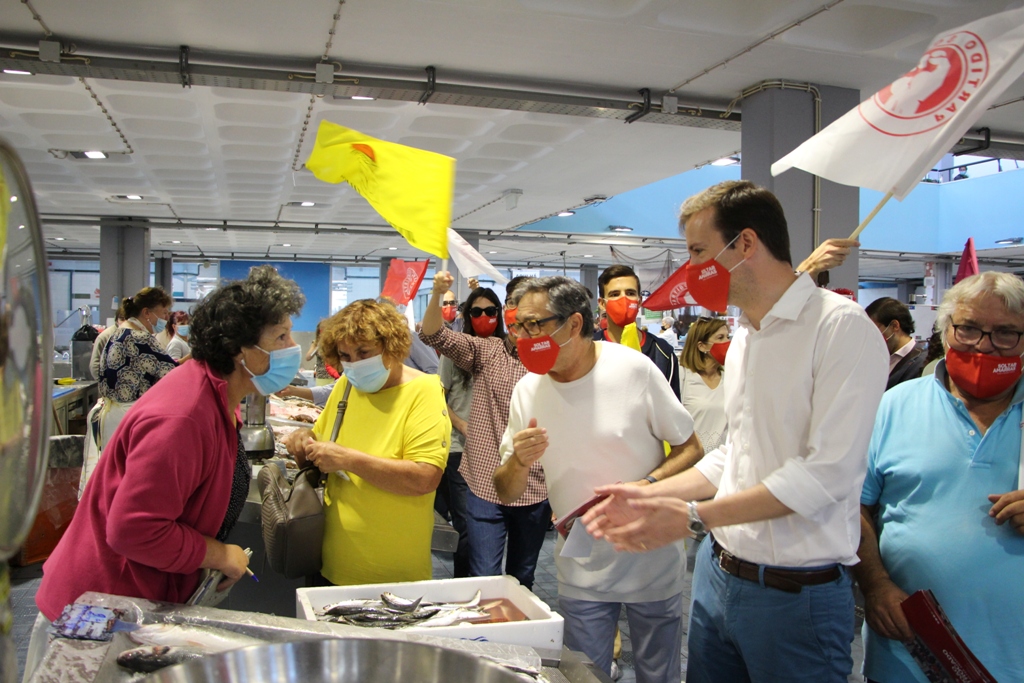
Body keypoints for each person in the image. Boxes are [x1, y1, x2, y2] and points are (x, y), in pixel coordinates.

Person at [583, 180, 889, 683]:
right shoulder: (747, 332)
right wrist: (649, 491)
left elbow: (824, 476)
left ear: (745, 243)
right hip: (718, 576)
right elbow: (735, 453)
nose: (691, 267)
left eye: (699, 251)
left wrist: (691, 515)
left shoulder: (840, 329)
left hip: (794, 596)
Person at [29, 266, 305, 679]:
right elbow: (134, 529)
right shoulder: (184, 416)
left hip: (135, 600)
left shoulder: (216, 395)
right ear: (239, 349)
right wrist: (218, 554)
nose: (292, 346)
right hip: (99, 611)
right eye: (281, 336)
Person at [493, 276, 705, 683]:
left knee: (657, 673)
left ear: (574, 324)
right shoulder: (527, 389)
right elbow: (506, 489)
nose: (524, 335)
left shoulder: (633, 370)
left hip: (652, 556)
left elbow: (691, 448)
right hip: (581, 565)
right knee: (586, 674)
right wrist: (518, 461)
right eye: (519, 325)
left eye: (536, 324)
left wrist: (648, 484)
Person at [856, 271, 1024, 683]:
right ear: (946, 331)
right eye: (968, 329)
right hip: (908, 655)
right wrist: (875, 584)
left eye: (1005, 333)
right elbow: (852, 506)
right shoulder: (892, 406)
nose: (984, 346)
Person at [284, 299, 450, 586]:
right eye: (345, 355)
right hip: (331, 561)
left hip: (392, 573)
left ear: (391, 346)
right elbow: (322, 440)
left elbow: (425, 478)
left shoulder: (424, 391)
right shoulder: (347, 387)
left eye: (364, 352)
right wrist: (304, 441)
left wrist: (349, 459)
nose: (354, 364)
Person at [419, 273, 552, 591]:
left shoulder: (554, 360)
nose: (524, 323)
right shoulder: (488, 351)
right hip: (484, 482)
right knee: (484, 575)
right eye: (516, 311)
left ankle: (517, 638)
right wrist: (438, 295)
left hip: (534, 486)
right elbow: (434, 334)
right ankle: (483, 638)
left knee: (523, 577)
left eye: (534, 317)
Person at [435, 286, 504, 579]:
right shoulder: (455, 351)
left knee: (492, 525)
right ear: (468, 316)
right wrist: (462, 425)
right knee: (467, 525)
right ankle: (464, 588)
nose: (484, 317)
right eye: (477, 312)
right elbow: (439, 396)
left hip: (498, 452)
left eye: (490, 311)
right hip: (460, 450)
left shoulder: (507, 350)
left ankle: (491, 584)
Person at [96, 287, 177, 449]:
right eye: (163, 313)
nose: (166, 318)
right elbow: (174, 374)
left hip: (112, 417)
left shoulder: (117, 333)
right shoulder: (140, 338)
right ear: (146, 313)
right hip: (130, 418)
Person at [596, 264, 680, 400]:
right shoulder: (588, 349)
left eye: (630, 293)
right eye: (615, 294)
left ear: (639, 300)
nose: (624, 299)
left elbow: (672, 411)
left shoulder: (662, 353)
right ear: (602, 303)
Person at [678, 317, 729, 454]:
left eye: (727, 337)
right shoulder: (683, 376)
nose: (727, 342)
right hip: (691, 462)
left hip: (721, 463)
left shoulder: (730, 377)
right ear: (702, 346)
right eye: (720, 338)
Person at [864, 297, 926, 390]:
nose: (872, 336)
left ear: (894, 326)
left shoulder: (921, 363)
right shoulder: (879, 358)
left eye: (875, 330)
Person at [89, 304, 125, 380]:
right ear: (116, 320)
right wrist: (105, 383)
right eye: (122, 319)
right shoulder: (105, 336)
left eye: (127, 319)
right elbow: (95, 365)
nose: (124, 322)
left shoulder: (132, 335)